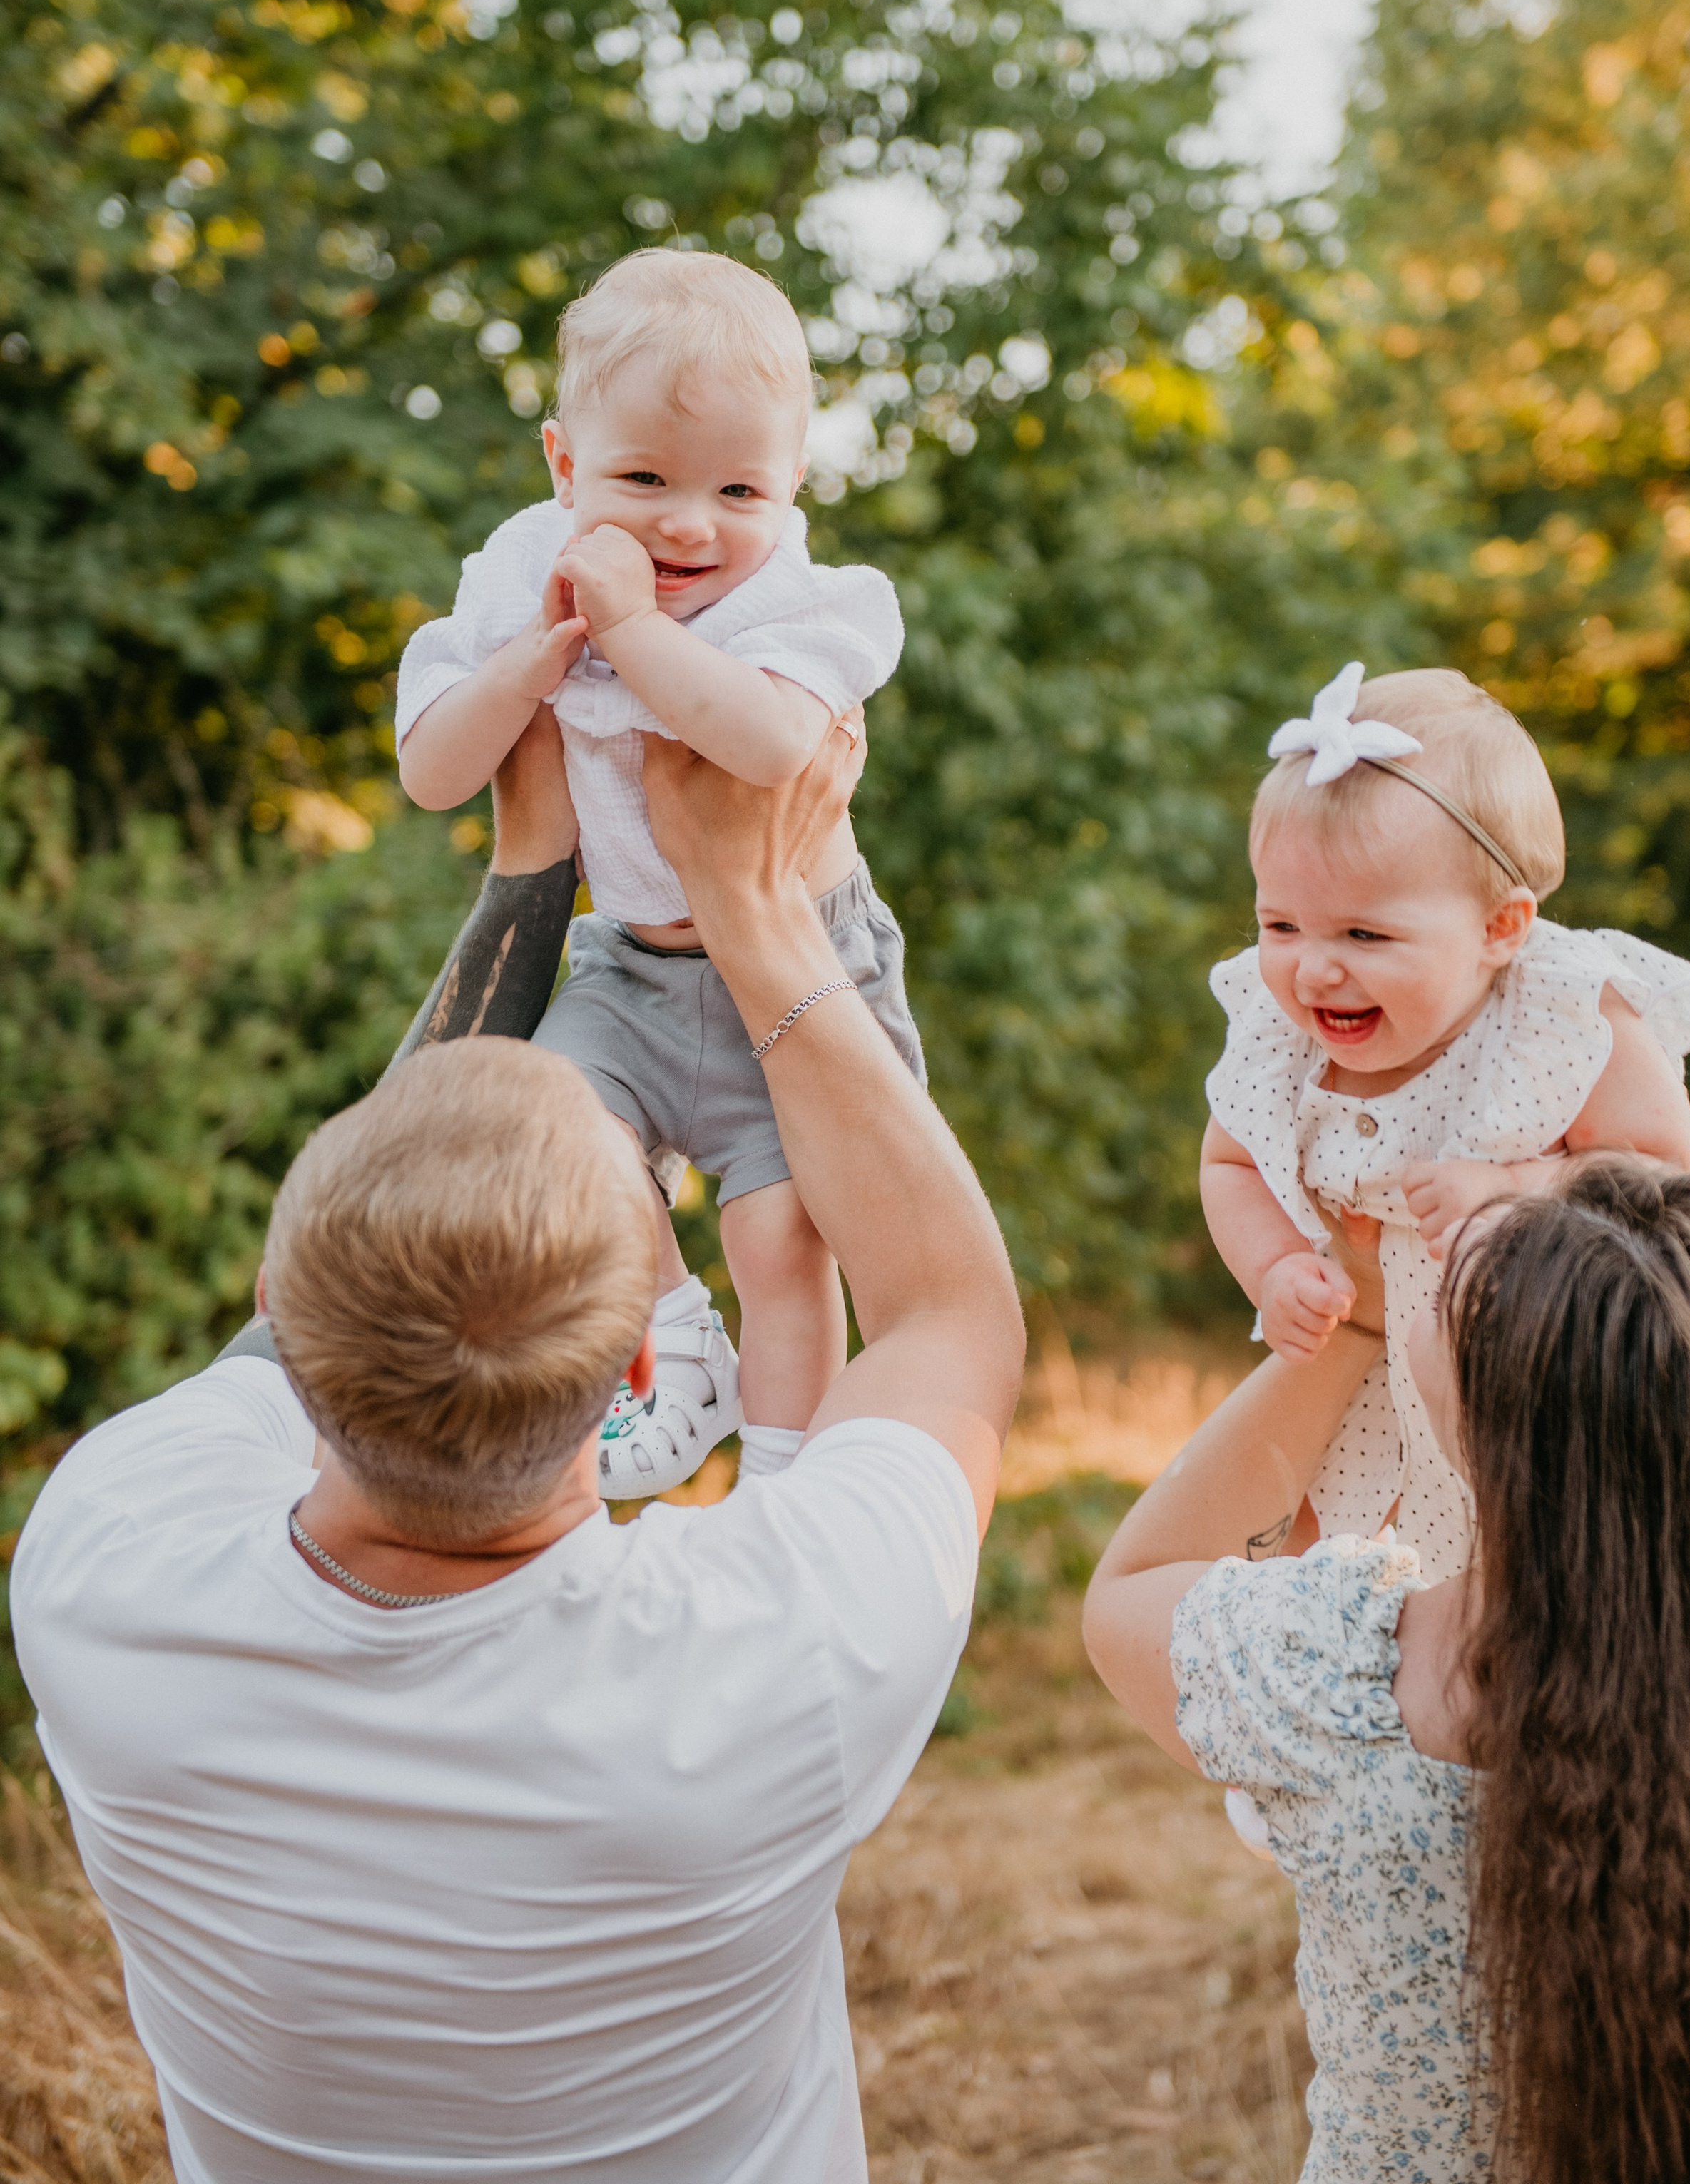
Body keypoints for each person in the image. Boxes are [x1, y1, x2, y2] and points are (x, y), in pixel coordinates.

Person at [12, 709, 1025, 2184]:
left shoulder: (100, 1568)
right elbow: (945, 1311)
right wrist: (755, 911)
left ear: (278, 1312)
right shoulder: (772, 1652)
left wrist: (528, 868)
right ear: (635, 1369)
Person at [1084, 1160, 1690, 2183]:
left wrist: (1350, 1324)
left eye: (1449, 1288)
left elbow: (1130, 1594)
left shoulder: (1348, 1675)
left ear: (1493, 1429)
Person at [396, 248, 919, 1496]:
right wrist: (537, 655)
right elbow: (431, 769)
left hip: (797, 959)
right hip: (628, 961)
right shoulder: (524, 573)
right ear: (564, 464)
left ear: (793, 486)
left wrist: (628, 634)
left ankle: (785, 1483)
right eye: (644, 479)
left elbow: (774, 742)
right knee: (556, 1142)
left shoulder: (806, 596)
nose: (692, 524)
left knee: (784, 1235)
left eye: (742, 487)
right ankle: (676, 1336)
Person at [1200, 660, 1690, 1583]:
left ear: (1501, 929)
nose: (1313, 970)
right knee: (1312, 1557)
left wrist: (1519, 1185)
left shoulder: (1560, 1016)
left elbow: (1669, 1175)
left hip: (1556, 1365)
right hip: (1366, 1369)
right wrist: (1275, 1268)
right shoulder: (1281, 1036)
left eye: (1364, 936)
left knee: (1540, 1566)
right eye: (1280, 925)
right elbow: (1231, 1165)